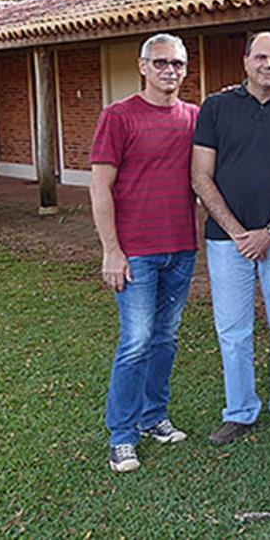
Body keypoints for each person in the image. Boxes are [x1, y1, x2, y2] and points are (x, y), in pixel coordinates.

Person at [192, 31, 270, 445]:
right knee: (233, 329)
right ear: (246, 60)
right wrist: (237, 233)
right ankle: (240, 411)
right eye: (262, 57)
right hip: (226, 241)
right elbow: (200, 176)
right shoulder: (216, 108)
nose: (269, 65)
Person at [90, 33, 199, 472]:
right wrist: (111, 251)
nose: (169, 70)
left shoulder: (193, 117)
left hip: (181, 248)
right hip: (135, 252)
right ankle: (122, 434)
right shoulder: (118, 117)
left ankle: (154, 417)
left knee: (165, 339)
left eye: (177, 64)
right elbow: (100, 187)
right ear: (143, 66)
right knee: (135, 342)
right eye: (161, 63)